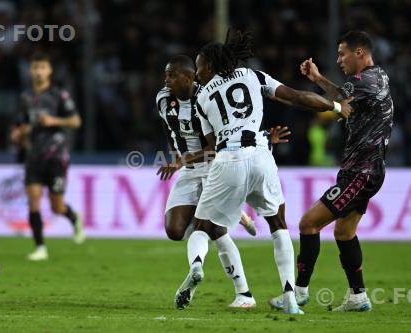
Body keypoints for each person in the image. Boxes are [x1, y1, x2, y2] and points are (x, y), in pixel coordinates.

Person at [179, 30, 353, 315]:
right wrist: (336, 106)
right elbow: (297, 97)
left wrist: (185, 158)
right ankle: (290, 297)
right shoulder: (253, 75)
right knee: (278, 224)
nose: (197, 74)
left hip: (228, 159)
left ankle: (197, 265)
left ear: (209, 66)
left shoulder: (201, 99)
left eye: (198, 67)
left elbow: (212, 147)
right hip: (261, 155)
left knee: (203, 227)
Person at [270, 30, 393, 312]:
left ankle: (299, 292)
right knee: (344, 232)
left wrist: (296, 96)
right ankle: (358, 296)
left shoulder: (365, 80)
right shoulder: (379, 77)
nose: (339, 60)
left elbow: (338, 103)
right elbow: (343, 99)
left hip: (361, 172)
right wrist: (316, 79)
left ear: (359, 53)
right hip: (365, 169)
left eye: (342, 53)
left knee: (308, 223)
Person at [157, 55, 291, 309]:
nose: (166, 80)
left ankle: (244, 293)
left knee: (214, 230)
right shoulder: (163, 99)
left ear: (189, 77)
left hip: (215, 167)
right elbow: (169, 129)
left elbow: (222, 141)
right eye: (166, 74)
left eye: (171, 75)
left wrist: (263, 137)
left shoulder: (206, 96)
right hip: (187, 168)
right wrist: (177, 156)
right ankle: (235, 216)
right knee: (174, 231)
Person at [11, 52, 84, 261]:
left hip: (56, 156)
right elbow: (22, 124)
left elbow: (76, 121)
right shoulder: (26, 98)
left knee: (56, 206)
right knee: (33, 200)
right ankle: (40, 247)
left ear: (50, 70)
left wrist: (53, 120)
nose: (39, 71)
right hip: (33, 156)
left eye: (43, 67)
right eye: (35, 67)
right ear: (30, 71)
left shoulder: (59, 95)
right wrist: (18, 133)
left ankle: (74, 217)